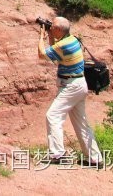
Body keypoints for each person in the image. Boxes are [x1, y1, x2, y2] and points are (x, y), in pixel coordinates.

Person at [37, 16, 103, 165]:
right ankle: (95, 158)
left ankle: (58, 155)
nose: (50, 28)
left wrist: (41, 36)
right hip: (79, 84)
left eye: (52, 27)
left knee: (52, 115)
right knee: (81, 123)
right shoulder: (72, 40)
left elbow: (42, 54)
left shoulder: (63, 45)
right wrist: (51, 36)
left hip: (71, 86)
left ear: (59, 30)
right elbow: (56, 53)